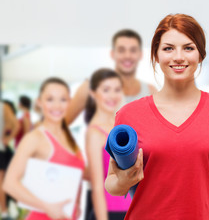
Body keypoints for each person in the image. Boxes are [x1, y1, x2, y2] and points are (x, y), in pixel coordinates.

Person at [104, 14, 209, 220]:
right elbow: (111, 184)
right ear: (156, 55)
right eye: (168, 48)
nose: (178, 57)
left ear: (201, 55)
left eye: (188, 48)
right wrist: (123, 181)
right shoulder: (129, 114)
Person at [3, 78, 85, 220]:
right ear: (39, 102)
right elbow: (10, 183)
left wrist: (76, 202)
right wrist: (47, 207)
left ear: (70, 102)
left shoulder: (69, 137)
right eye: (50, 99)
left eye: (63, 99)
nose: (57, 106)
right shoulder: (35, 138)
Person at [65, 29, 157, 125]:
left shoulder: (151, 92)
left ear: (140, 54)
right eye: (121, 50)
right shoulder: (90, 86)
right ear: (112, 54)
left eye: (133, 50)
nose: (127, 55)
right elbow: (60, 126)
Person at [85, 68, 131, 220]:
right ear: (93, 93)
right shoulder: (94, 133)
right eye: (106, 90)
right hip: (111, 214)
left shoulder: (122, 126)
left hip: (134, 211)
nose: (112, 96)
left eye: (117, 90)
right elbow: (97, 187)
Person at [0, 102, 19, 219]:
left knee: (3, 182)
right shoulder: (4, 107)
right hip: (3, 150)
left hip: (2, 150)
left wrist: (7, 138)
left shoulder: (3, 107)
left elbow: (16, 125)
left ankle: (5, 211)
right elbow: (15, 125)